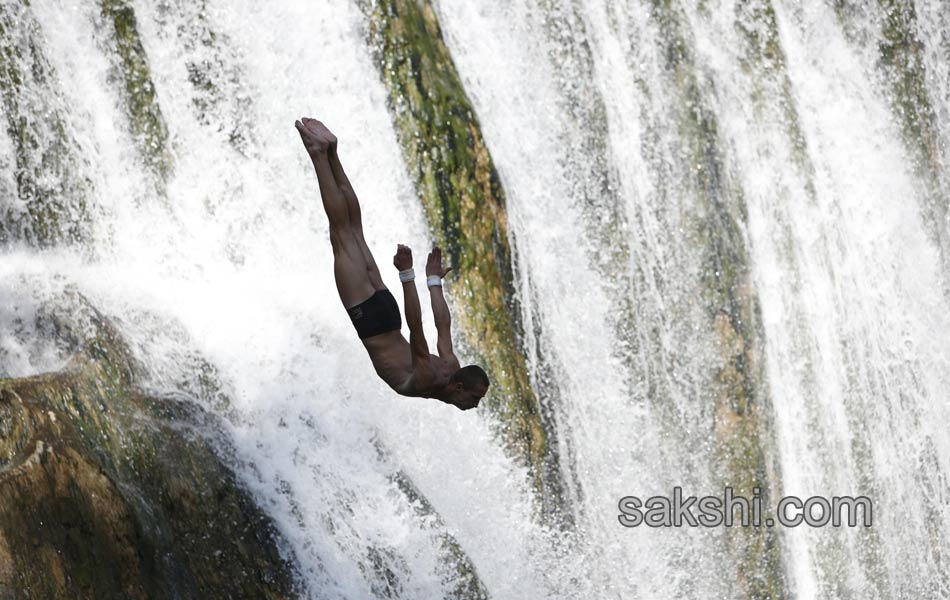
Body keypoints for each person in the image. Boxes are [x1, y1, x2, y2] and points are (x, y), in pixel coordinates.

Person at [295, 117, 489, 410]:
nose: (474, 405)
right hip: (372, 319)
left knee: (353, 230)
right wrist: (407, 274)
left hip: (388, 314)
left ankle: (332, 151)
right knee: (342, 232)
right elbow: (418, 329)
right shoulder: (428, 381)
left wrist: (433, 281)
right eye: (474, 398)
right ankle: (319, 153)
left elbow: (441, 324)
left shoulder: (450, 365)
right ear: (459, 386)